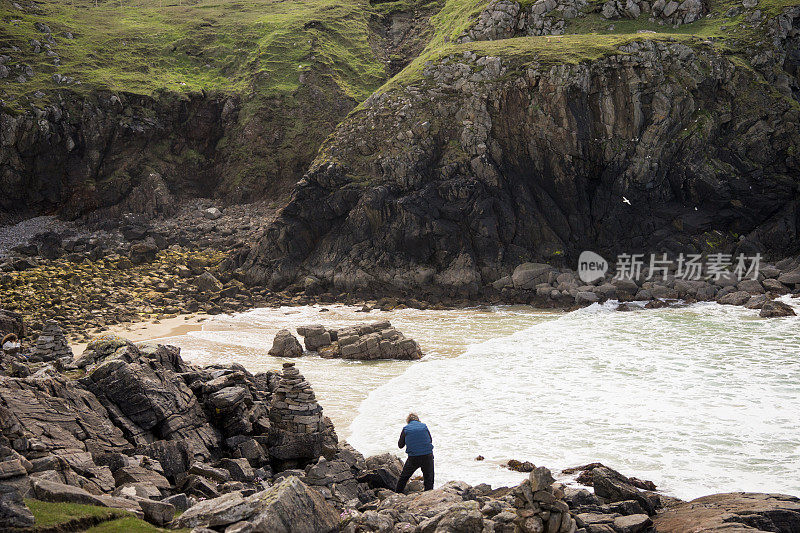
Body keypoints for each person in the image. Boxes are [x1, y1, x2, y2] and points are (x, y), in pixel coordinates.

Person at [395, 412, 434, 493]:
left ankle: (397, 494)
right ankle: (429, 495)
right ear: (418, 420)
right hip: (427, 456)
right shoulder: (424, 426)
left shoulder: (406, 429)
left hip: (414, 458)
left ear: (408, 421)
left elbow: (400, 445)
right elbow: (430, 440)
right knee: (429, 477)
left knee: (404, 477)